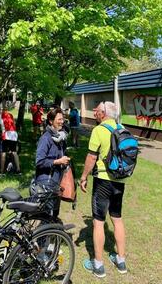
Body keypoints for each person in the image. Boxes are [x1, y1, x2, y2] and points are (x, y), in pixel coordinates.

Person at [80, 101, 127, 278]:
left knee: (98, 222)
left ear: (104, 113)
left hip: (103, 181)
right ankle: (121, 261)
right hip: (120, 180)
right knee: (117, 219)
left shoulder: (99, 130)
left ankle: (98, 265)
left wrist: (84, 177)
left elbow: (92, 157)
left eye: (97, 110)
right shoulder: (121, 127)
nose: (95, 112)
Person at [35, 108, 70, 218]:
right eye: (59, 119)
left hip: (55, 182)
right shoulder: (46, 138)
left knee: (54, 215)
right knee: (46, 216)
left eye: (62, 119)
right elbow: (39, 161)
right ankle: (43, 235)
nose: (62, 121)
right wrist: (58, 161)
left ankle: (51, 235)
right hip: (46, 182)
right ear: (51, 121)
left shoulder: (58, 137)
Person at [0, 107, 21, 175]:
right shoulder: (10, 115)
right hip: (14, 135)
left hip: (6, 135)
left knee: (3, 153)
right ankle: (18, 170)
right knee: (14, 152)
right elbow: (14, 124)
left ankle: (1, 171)